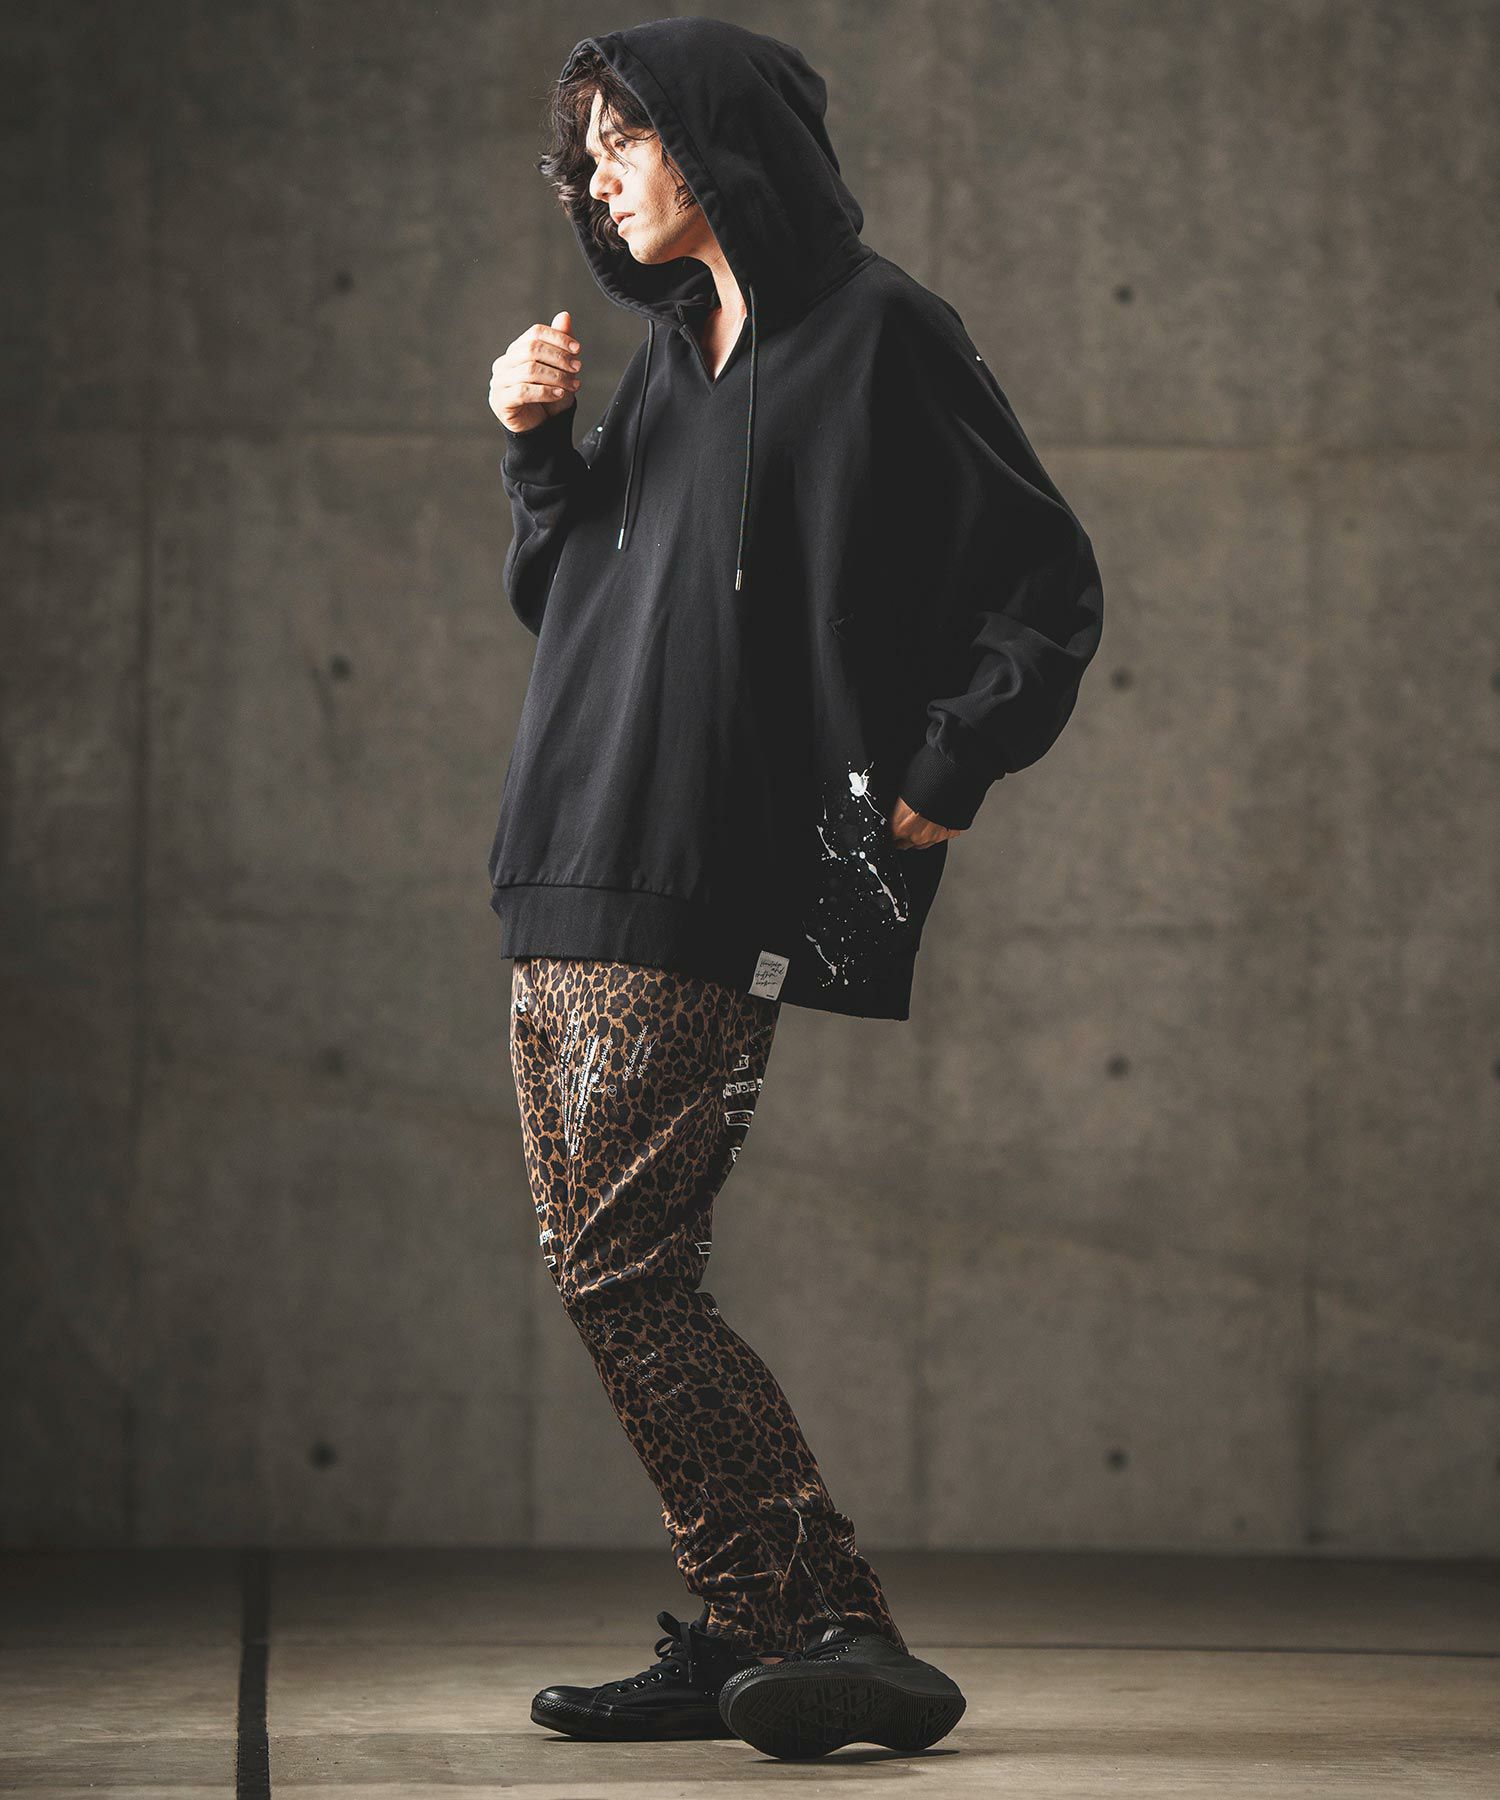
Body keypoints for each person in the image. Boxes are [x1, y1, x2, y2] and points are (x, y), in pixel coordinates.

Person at [485, 17, 1104, 1763]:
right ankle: (757, 1624)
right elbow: (572, 604)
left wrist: (941, 777)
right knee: (617, 1265)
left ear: (720, 138)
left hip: (723, 860)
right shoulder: (666, 360)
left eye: (624, 138)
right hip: (568, 849)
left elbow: (1046, 581)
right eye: (586, 151)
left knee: (623, 1269)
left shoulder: (882, 332)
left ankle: (837, 1621)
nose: (596, 175)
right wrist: (537, 444)